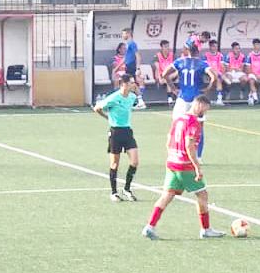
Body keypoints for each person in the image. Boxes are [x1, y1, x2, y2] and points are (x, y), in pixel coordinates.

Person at [142, 93, 223, 240]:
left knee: (167, 195)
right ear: (199, 105)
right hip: (184, 165)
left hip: (172, 162)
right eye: (204, 109)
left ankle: (149, 226)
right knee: (202, 194)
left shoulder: (179, 119)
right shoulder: (193, 122)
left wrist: (172, 156)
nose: (204, 113)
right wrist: (197, 166)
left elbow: (168, 141)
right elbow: (189, 145)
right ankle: (206, 229)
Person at [94, 72, 141, 202]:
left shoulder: (132, 97)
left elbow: (136, 103)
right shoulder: (113, 98)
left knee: (135, 161)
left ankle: (127, 189)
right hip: (115, 132)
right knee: (115, 163)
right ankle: (114, 192)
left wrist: (139, 94)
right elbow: (97, 108)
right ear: (123, 84)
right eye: (131, 82)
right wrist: (107, 117)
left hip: (127, 131)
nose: (133, 84)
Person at [170, 37, 209, 120]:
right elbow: (214, 77)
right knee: (199, 123)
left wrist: (173, 88)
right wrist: (208, 89)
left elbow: (164, 74)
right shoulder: (202, 63)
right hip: (197, 98)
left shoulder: (180, 61)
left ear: (188, 51)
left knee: (177, 122)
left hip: (183, 97)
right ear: (198, 52)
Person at [245, 39, 260, 104]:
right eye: (256, 44)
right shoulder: (250, 55)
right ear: (253, 45)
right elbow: (248, 68)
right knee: (251, 81)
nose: (258, 46)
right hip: (253, 73)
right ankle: (255, 99)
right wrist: (256, 75)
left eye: (259, 44)